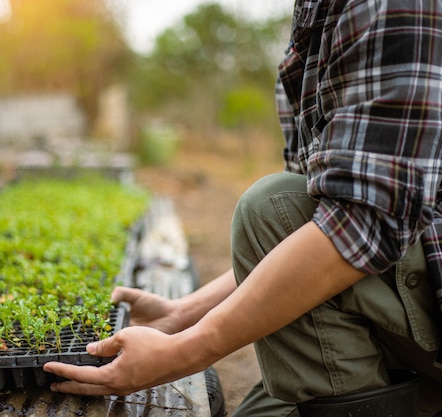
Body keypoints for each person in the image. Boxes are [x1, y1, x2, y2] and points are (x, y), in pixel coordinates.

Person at [43, 0, 442, 414]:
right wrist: (183, 312)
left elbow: (362, 220)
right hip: (405, 285)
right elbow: (307, 230)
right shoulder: (316, 15)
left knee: (267, 204)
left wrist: (181, 353)